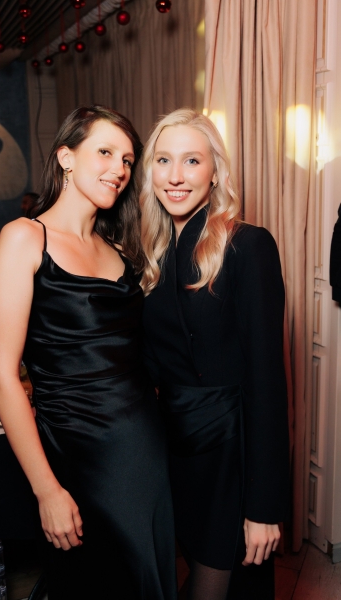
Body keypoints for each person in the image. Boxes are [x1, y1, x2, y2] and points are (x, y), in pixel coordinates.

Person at [0, 106, 177, 600]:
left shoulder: (120, 249)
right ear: (66, 158)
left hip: (146, 452)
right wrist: (46, 489)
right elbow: (2, 375)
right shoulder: (25, 238)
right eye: (105, 152)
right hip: (78, 459)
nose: (119, 168)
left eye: (128, 160)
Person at [140, 109, 290, 600]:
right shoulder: (153, 254)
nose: (175, 176)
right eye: (163, 160)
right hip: (176, 454)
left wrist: (264, 506)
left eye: (191, 160)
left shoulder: (248, 246)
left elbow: (267, 383)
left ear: (215, 172)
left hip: (230, 453)